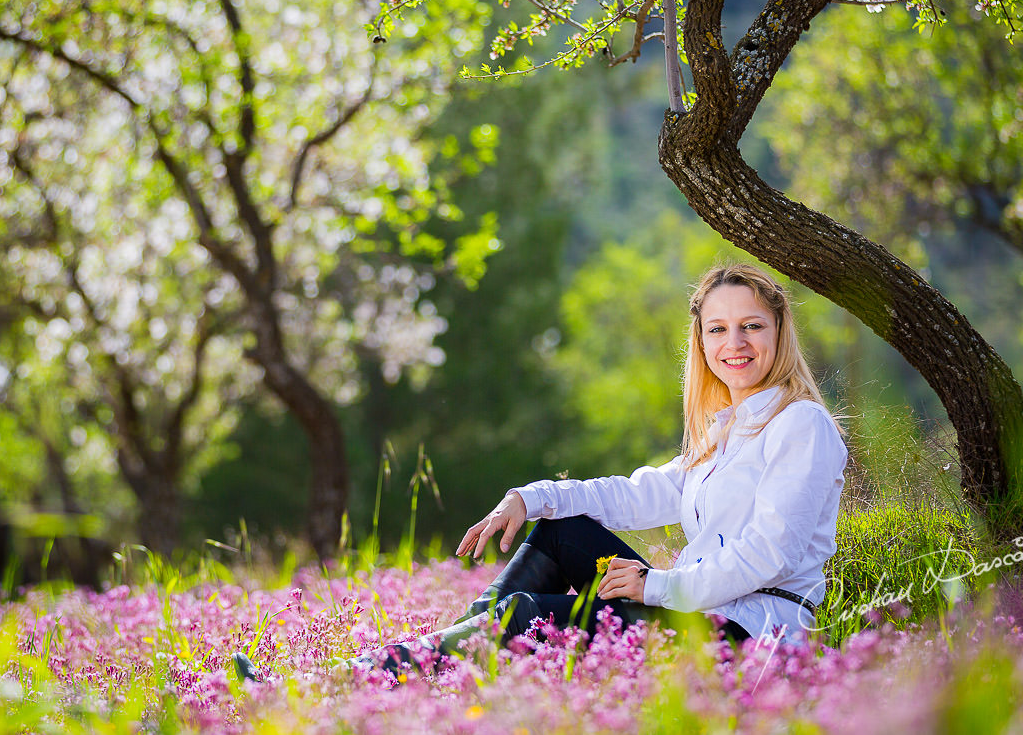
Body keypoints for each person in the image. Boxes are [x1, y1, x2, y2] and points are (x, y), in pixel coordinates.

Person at [235, 263, 847, 682]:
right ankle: (431, 662)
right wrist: (530, 497)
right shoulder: (723, 432)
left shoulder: (801, 426)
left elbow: (769, 554)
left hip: (748, 637)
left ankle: (349, 681)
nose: (733, 342)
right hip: (696, 609)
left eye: (751, 326)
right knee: (562, 529)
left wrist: (655, 587)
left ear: (779, 332)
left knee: (524, 614)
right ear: (701, 341)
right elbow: (635, 495)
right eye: (718, 328)